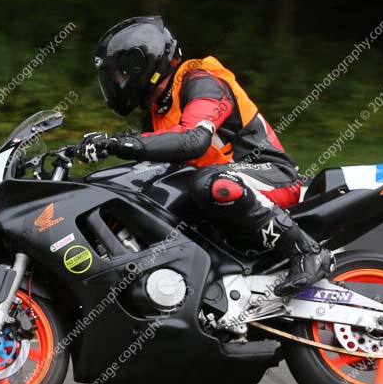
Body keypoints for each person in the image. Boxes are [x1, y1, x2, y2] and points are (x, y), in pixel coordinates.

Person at [76, 16, 332, 297]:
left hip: (270, 177)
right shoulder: (155, 112)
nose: (116, 82)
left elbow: (193, 139)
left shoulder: (201, 81)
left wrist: (119, 144)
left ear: (142, 63)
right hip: (218, 193)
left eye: (119, 73)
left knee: (212, 183)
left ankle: (306, 250)